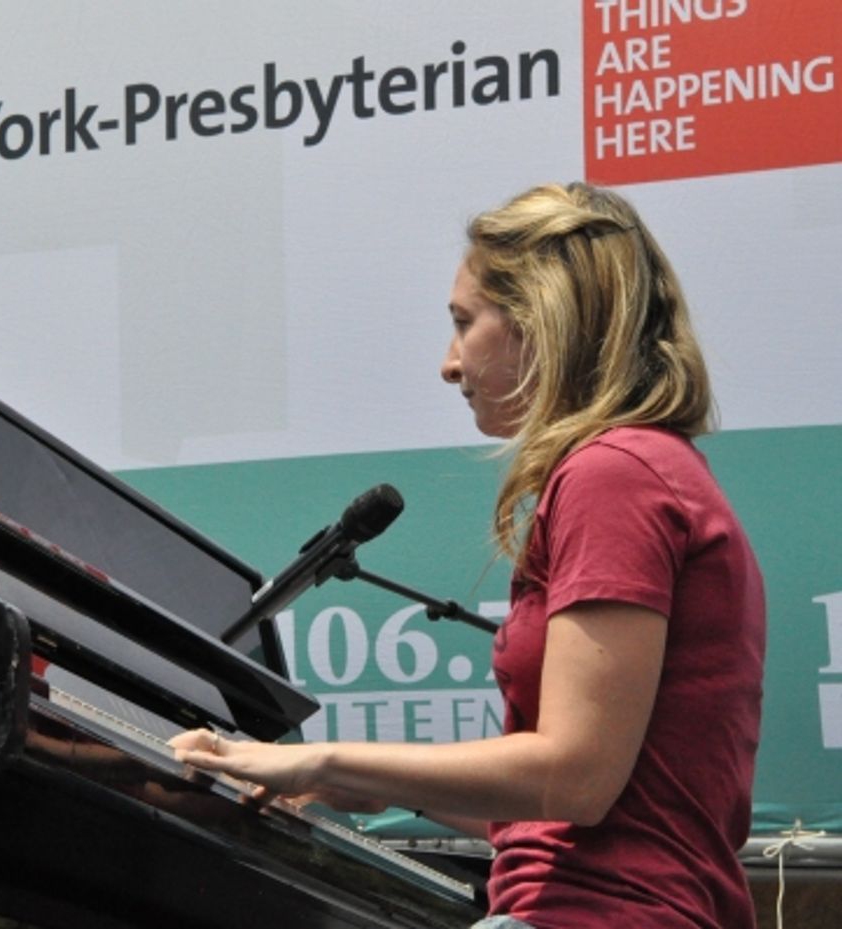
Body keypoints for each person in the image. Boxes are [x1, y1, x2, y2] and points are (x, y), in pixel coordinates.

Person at [171, 182, 767, 929]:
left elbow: (576, 776)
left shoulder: (614, 473)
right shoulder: (648, 468)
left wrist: (320, 759)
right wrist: (389, 786)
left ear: (542, 320)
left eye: (464, 323)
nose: (450, 364)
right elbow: (578, 818)